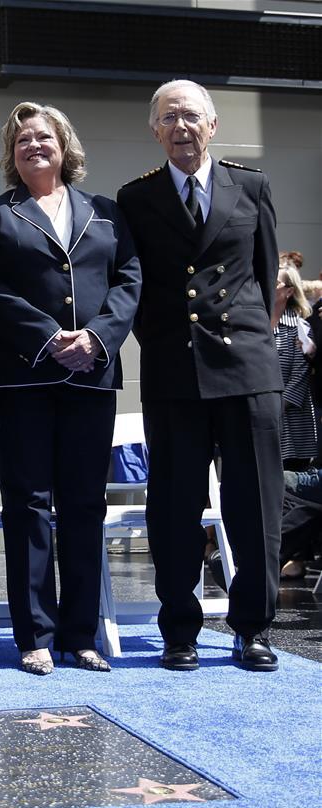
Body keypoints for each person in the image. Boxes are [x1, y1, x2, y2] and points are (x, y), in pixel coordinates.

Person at [117, 79, 282, 672]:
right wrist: (165, 345)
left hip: (247, 370)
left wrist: (250, 343)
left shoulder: (252, 186)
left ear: (212, 126)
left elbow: (263, 279)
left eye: (191, 116)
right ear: (155, 130)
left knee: (255, 505)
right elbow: (133, 289)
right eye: (168, 117)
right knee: (174, 508)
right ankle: (179, 630)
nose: (180, 126)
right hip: (175, 371)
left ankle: (253, 629)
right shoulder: (136, 199)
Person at [0, 102, 141, 675]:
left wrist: (96, 337)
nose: (33, 147)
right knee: (28, 505)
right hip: (25, 378)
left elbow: (129, 278)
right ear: (11, 155)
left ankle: (81, 634)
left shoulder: (107, 213)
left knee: (83, 506)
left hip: (92, 377)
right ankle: (35, 635)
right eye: (22, 141)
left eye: (43, 137)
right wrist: (49, 338)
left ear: (65, 146)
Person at [271, 264, 317, 470]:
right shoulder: (254, 325)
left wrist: (272, 409)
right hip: (258, 419)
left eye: (275, 282)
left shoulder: (299, 327)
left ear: (289, 291)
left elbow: (300, 375)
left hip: (291, 424)